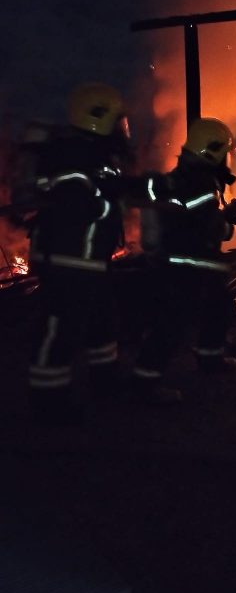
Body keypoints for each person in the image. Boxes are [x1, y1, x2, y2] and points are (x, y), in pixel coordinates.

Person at [26, 82, 131, 425]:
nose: (123, 128)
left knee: (102, 320)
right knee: (61, 327)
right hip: (67, 259)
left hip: (88, 259)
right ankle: (48, 400)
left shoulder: (95, 154)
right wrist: (106, 206)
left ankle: (105, 381)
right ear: (99, 117)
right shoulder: (72, 155)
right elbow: (76, 202)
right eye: (118, 120)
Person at [130, 117, 236, 403]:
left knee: (218, 306)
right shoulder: (202, 182)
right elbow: (209, 225)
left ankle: (210, 359)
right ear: (214, 150)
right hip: (188, 263)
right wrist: (228, 226)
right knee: (172, 324)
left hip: (188, 260)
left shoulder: (184, 176)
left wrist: (221, 216)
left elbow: (193, 216)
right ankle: (143, 384)